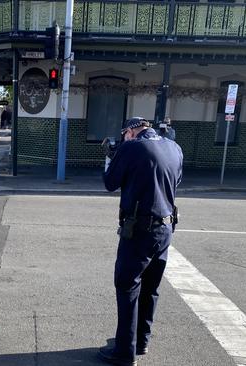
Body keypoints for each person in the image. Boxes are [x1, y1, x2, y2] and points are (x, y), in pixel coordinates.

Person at [99, 117, 183, 366]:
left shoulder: (131, 147)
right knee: (151, 288)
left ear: (131, 131)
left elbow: (110, 183)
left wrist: (112, 157)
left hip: (138, 230)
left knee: (127, 288)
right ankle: (142, 341)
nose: (123, 138)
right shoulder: (173, 147)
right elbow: (175, 182)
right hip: (166, 227)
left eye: (124, 134)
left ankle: (124, 352)